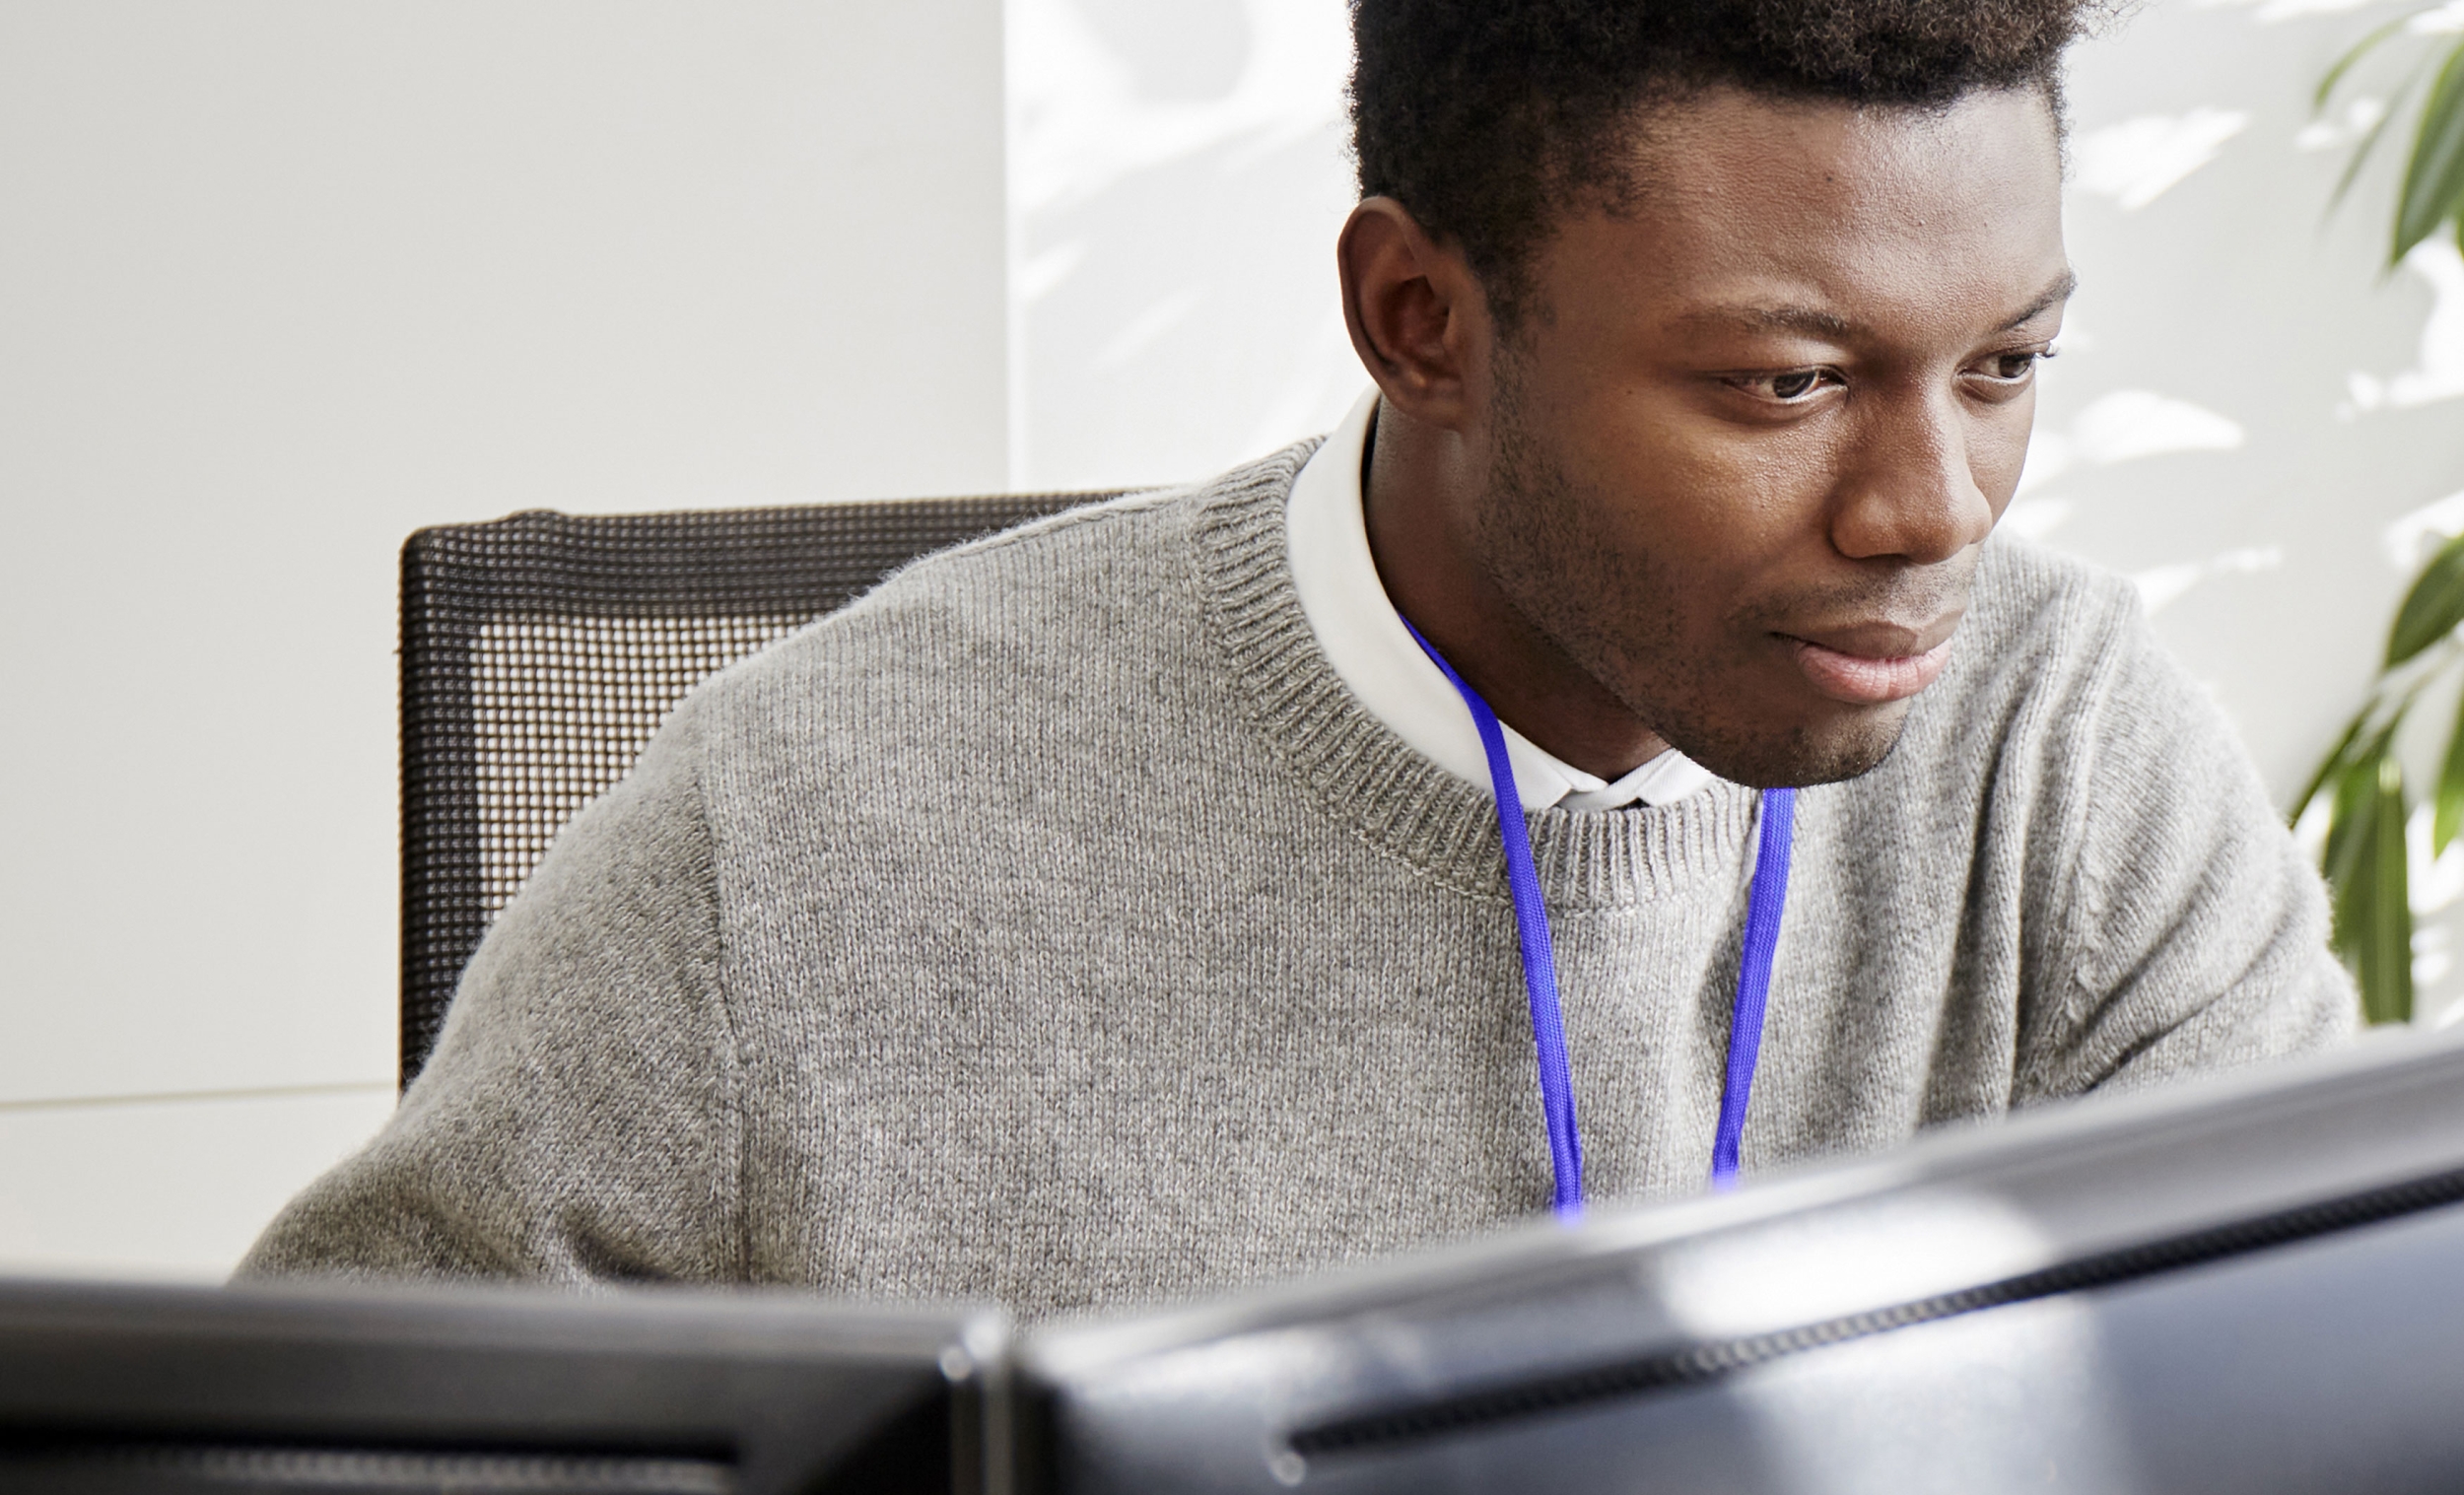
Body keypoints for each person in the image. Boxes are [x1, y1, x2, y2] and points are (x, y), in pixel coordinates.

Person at [244, 0, 2353, 1316]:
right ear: (1419, 322)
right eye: (1787, 386)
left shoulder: (2068, 758)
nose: (1934, 508)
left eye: (2002, 366)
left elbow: (2328, 1398)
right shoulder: (800, 836)